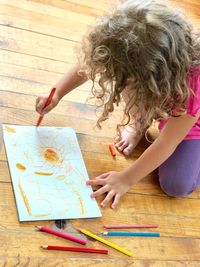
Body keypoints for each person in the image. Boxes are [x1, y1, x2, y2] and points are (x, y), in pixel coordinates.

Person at [36, 0, 200, 209]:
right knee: (132, 88)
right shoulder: (135, 43)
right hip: (168, 96)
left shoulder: (193, 86)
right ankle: (140, 123)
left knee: (176, 185)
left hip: (191, 115)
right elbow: (93, 61)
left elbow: (168, 142)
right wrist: (58, 92)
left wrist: (126, 179)